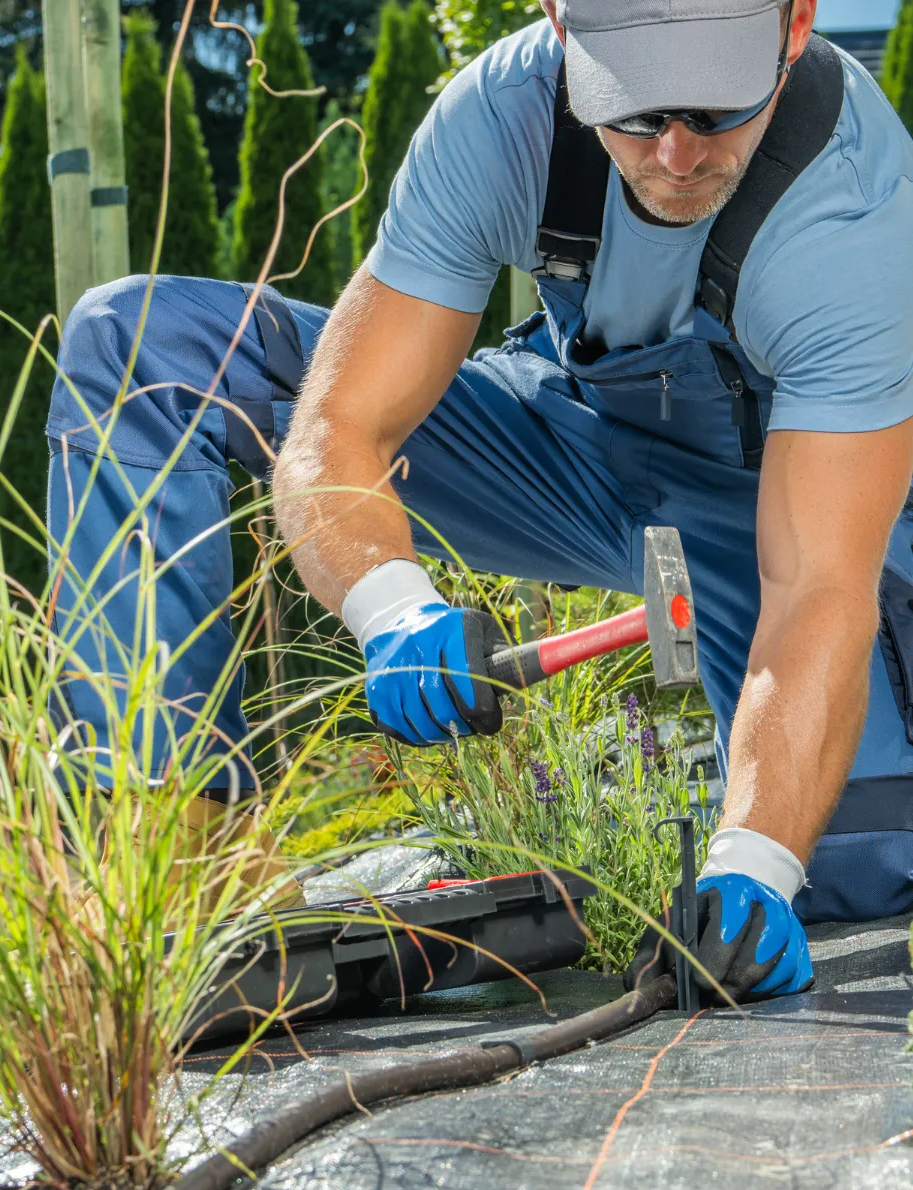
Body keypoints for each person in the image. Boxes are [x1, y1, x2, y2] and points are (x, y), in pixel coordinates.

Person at [47, 0, 913, 997]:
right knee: (144, 346)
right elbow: (342, 424)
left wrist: (755, 865)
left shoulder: (852, 208)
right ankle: (174, 869)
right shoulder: (499, 118)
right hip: (573, 448)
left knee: (848, 862)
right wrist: (390, 607)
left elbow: (815, 588)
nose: (674, 154)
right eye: (630, 110)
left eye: (714, 108)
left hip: (781, 508)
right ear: (559, 26)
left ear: (794, 24)